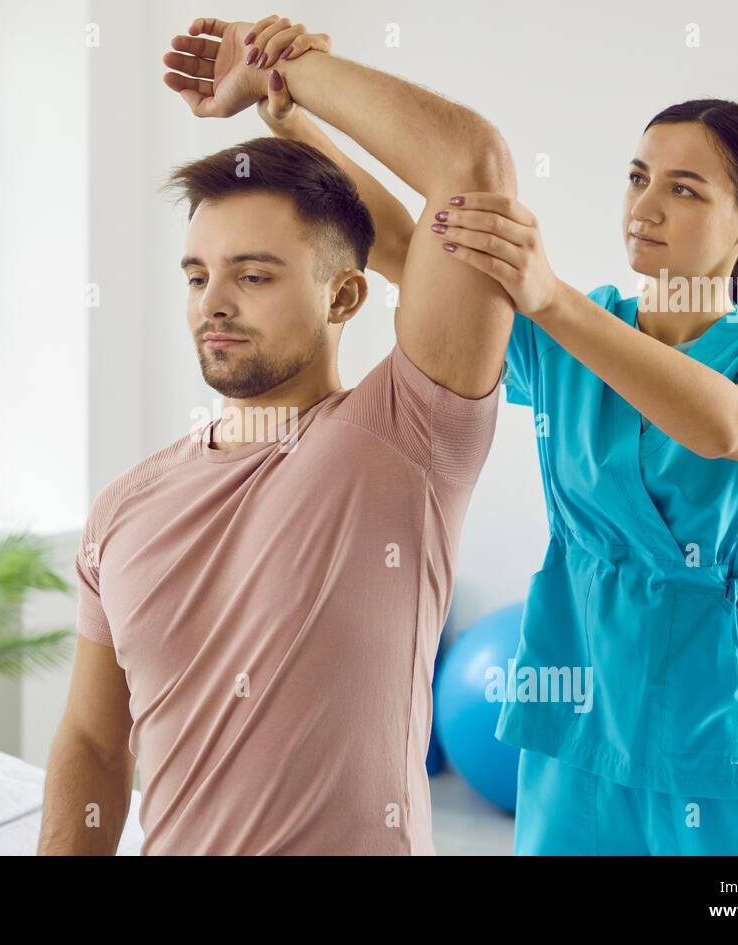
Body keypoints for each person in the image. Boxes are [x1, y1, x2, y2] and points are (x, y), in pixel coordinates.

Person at [263, 31, 738, 854]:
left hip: (718, 737)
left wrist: (552, 301)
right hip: (573, 725)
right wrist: (300, 126)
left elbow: (728, 426)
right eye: (638, 178)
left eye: (683, 190)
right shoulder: (575, 323)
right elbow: (408, 244)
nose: (644, 208)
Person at [37, 14, 518, 855]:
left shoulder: (405, 439)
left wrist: (283, 77)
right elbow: (90, 741)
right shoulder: (121, 509)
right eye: (198, 275)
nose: (213, 302)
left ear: (343, 299)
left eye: (253, 275)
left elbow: (469, 165)